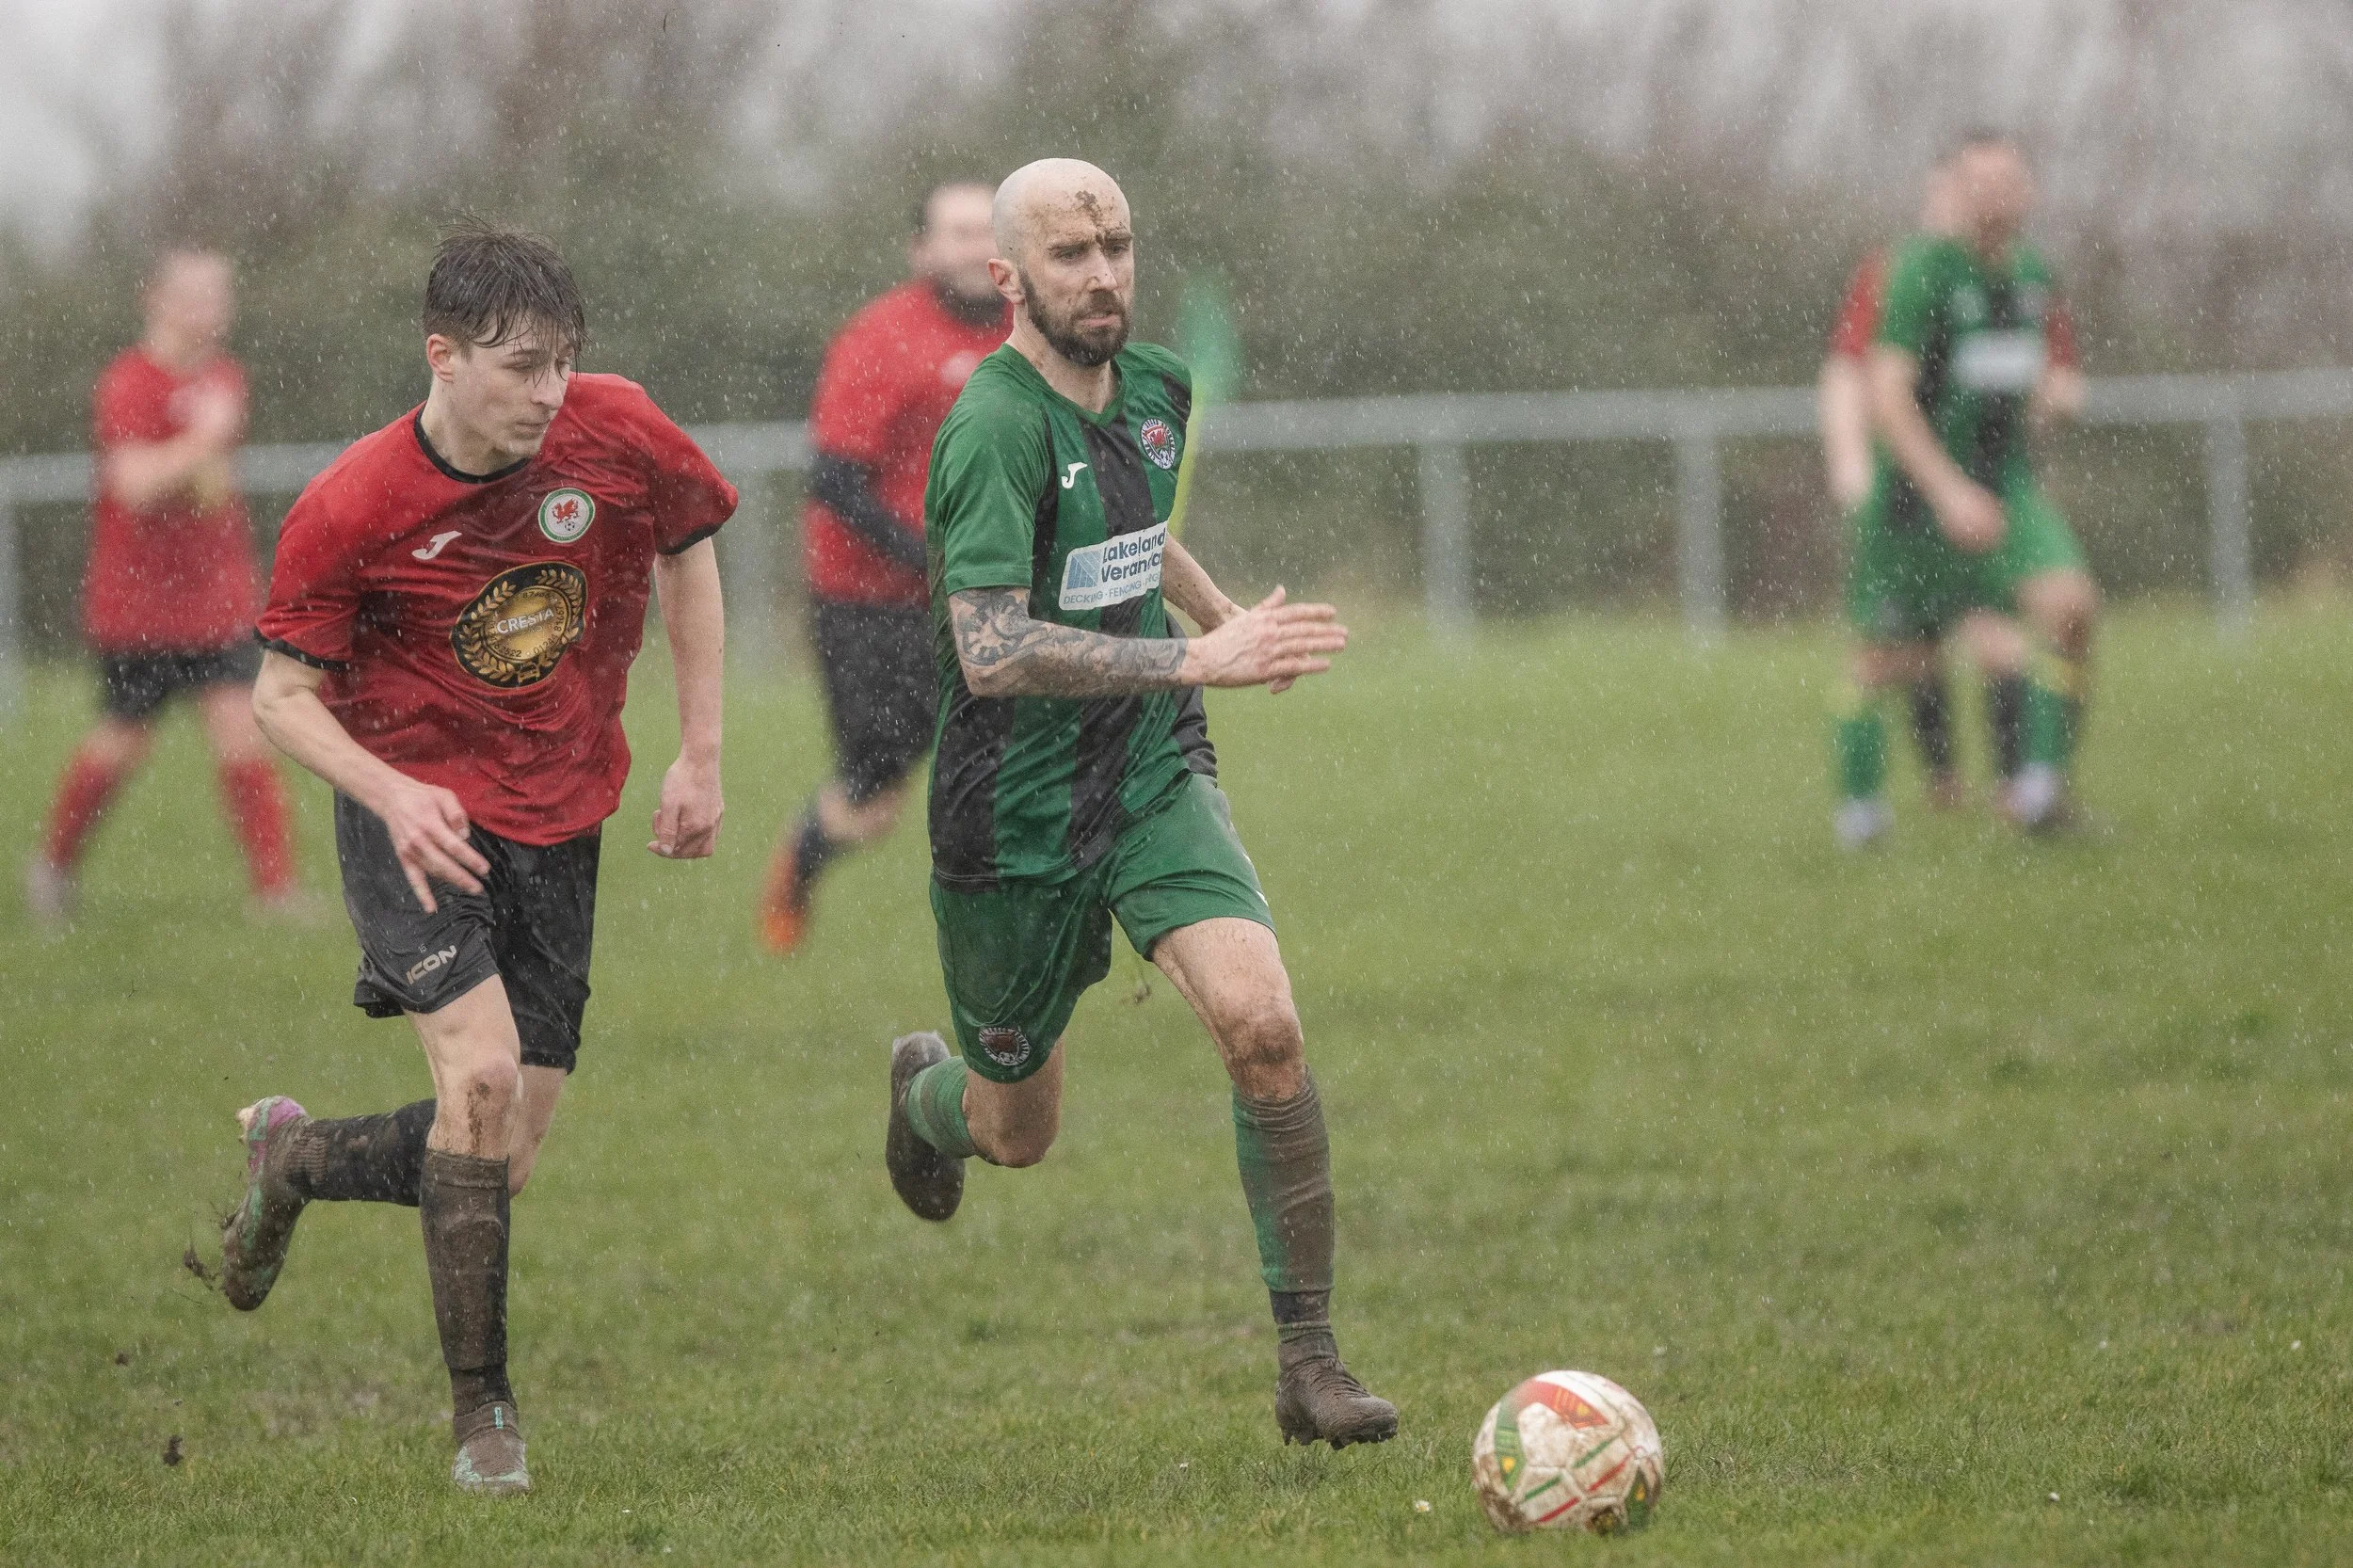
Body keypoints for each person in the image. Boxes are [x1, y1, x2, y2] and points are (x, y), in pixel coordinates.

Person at [881, 158, 1397, 1449]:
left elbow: (1133, 519)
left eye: (1116, 244)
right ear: (1007, 278)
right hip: (1013, 818)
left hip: (1155, 770)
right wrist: (1195, 654)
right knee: (1017, 1129)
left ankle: (1310, 1359)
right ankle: (926, 1098)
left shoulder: (1160, 385)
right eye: (1069, 253)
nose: (1103, 272)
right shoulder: (989, 430)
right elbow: (992, 646)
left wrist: (1214, 610)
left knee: (1263, 1024)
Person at [217, 222, 734, 1496]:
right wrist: (392, 792)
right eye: (517, 365)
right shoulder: (351, 500)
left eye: (562, 362)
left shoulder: (617, 432)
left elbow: (688, 544)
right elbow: (282, 698)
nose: (546, 393)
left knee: (497, 1152)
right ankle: (483, 1414)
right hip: (416, 819)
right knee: (483, 1075)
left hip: (562, 812)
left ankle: (294, 1161)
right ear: (440, 356)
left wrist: (702, 751)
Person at [759, 181, 1012, 954]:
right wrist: (935, 560)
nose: (976, 247)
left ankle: (1009, 935)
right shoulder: (880, 337)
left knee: (1017, 763)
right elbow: (833, 481)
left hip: (983, 595)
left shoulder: (1029, 331)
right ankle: (796, 866)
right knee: (874, 799)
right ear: (922, 250)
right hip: (870, 602)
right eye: (958, 232)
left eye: (988, 231)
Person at [26, 248, 304, 922]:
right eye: (198, 296)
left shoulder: (224, 378)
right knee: (121, 746)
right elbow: (135, 486)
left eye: (221, 296)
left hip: (216, 601)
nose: (214, 311)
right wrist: (203, 440)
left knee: (245, 733)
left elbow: (211, 492)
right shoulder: (129, 382)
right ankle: (52, 870)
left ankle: (277, 895)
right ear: (157, 299)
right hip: (139, 608)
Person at [1837, 131, 2097, 844]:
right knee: (1886, 659)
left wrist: (2054, 397)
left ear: (2029, 190)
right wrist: (1946, 490)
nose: (1993, 194)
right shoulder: (1919, 270)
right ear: (1955, 188)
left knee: (2069, 609)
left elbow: (2051, 370)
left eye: (2007, 179)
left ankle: (2040, 792)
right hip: (1919, 497)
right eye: (1977, 180)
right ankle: (1860, 815)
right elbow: (1882, 391)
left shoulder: (2035, 275)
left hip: (2004, 487)